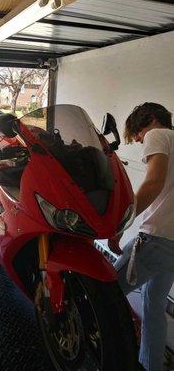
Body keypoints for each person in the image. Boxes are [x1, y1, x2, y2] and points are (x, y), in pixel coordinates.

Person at [108, 102, 174, 371]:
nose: (137, 139)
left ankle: (110, 357)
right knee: (153, 306)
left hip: (157, 238)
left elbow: (154, 182)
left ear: (151, 120)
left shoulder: (158, 135)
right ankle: (151, 365)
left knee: (107, 293)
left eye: (136, 131)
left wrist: (122, 222)